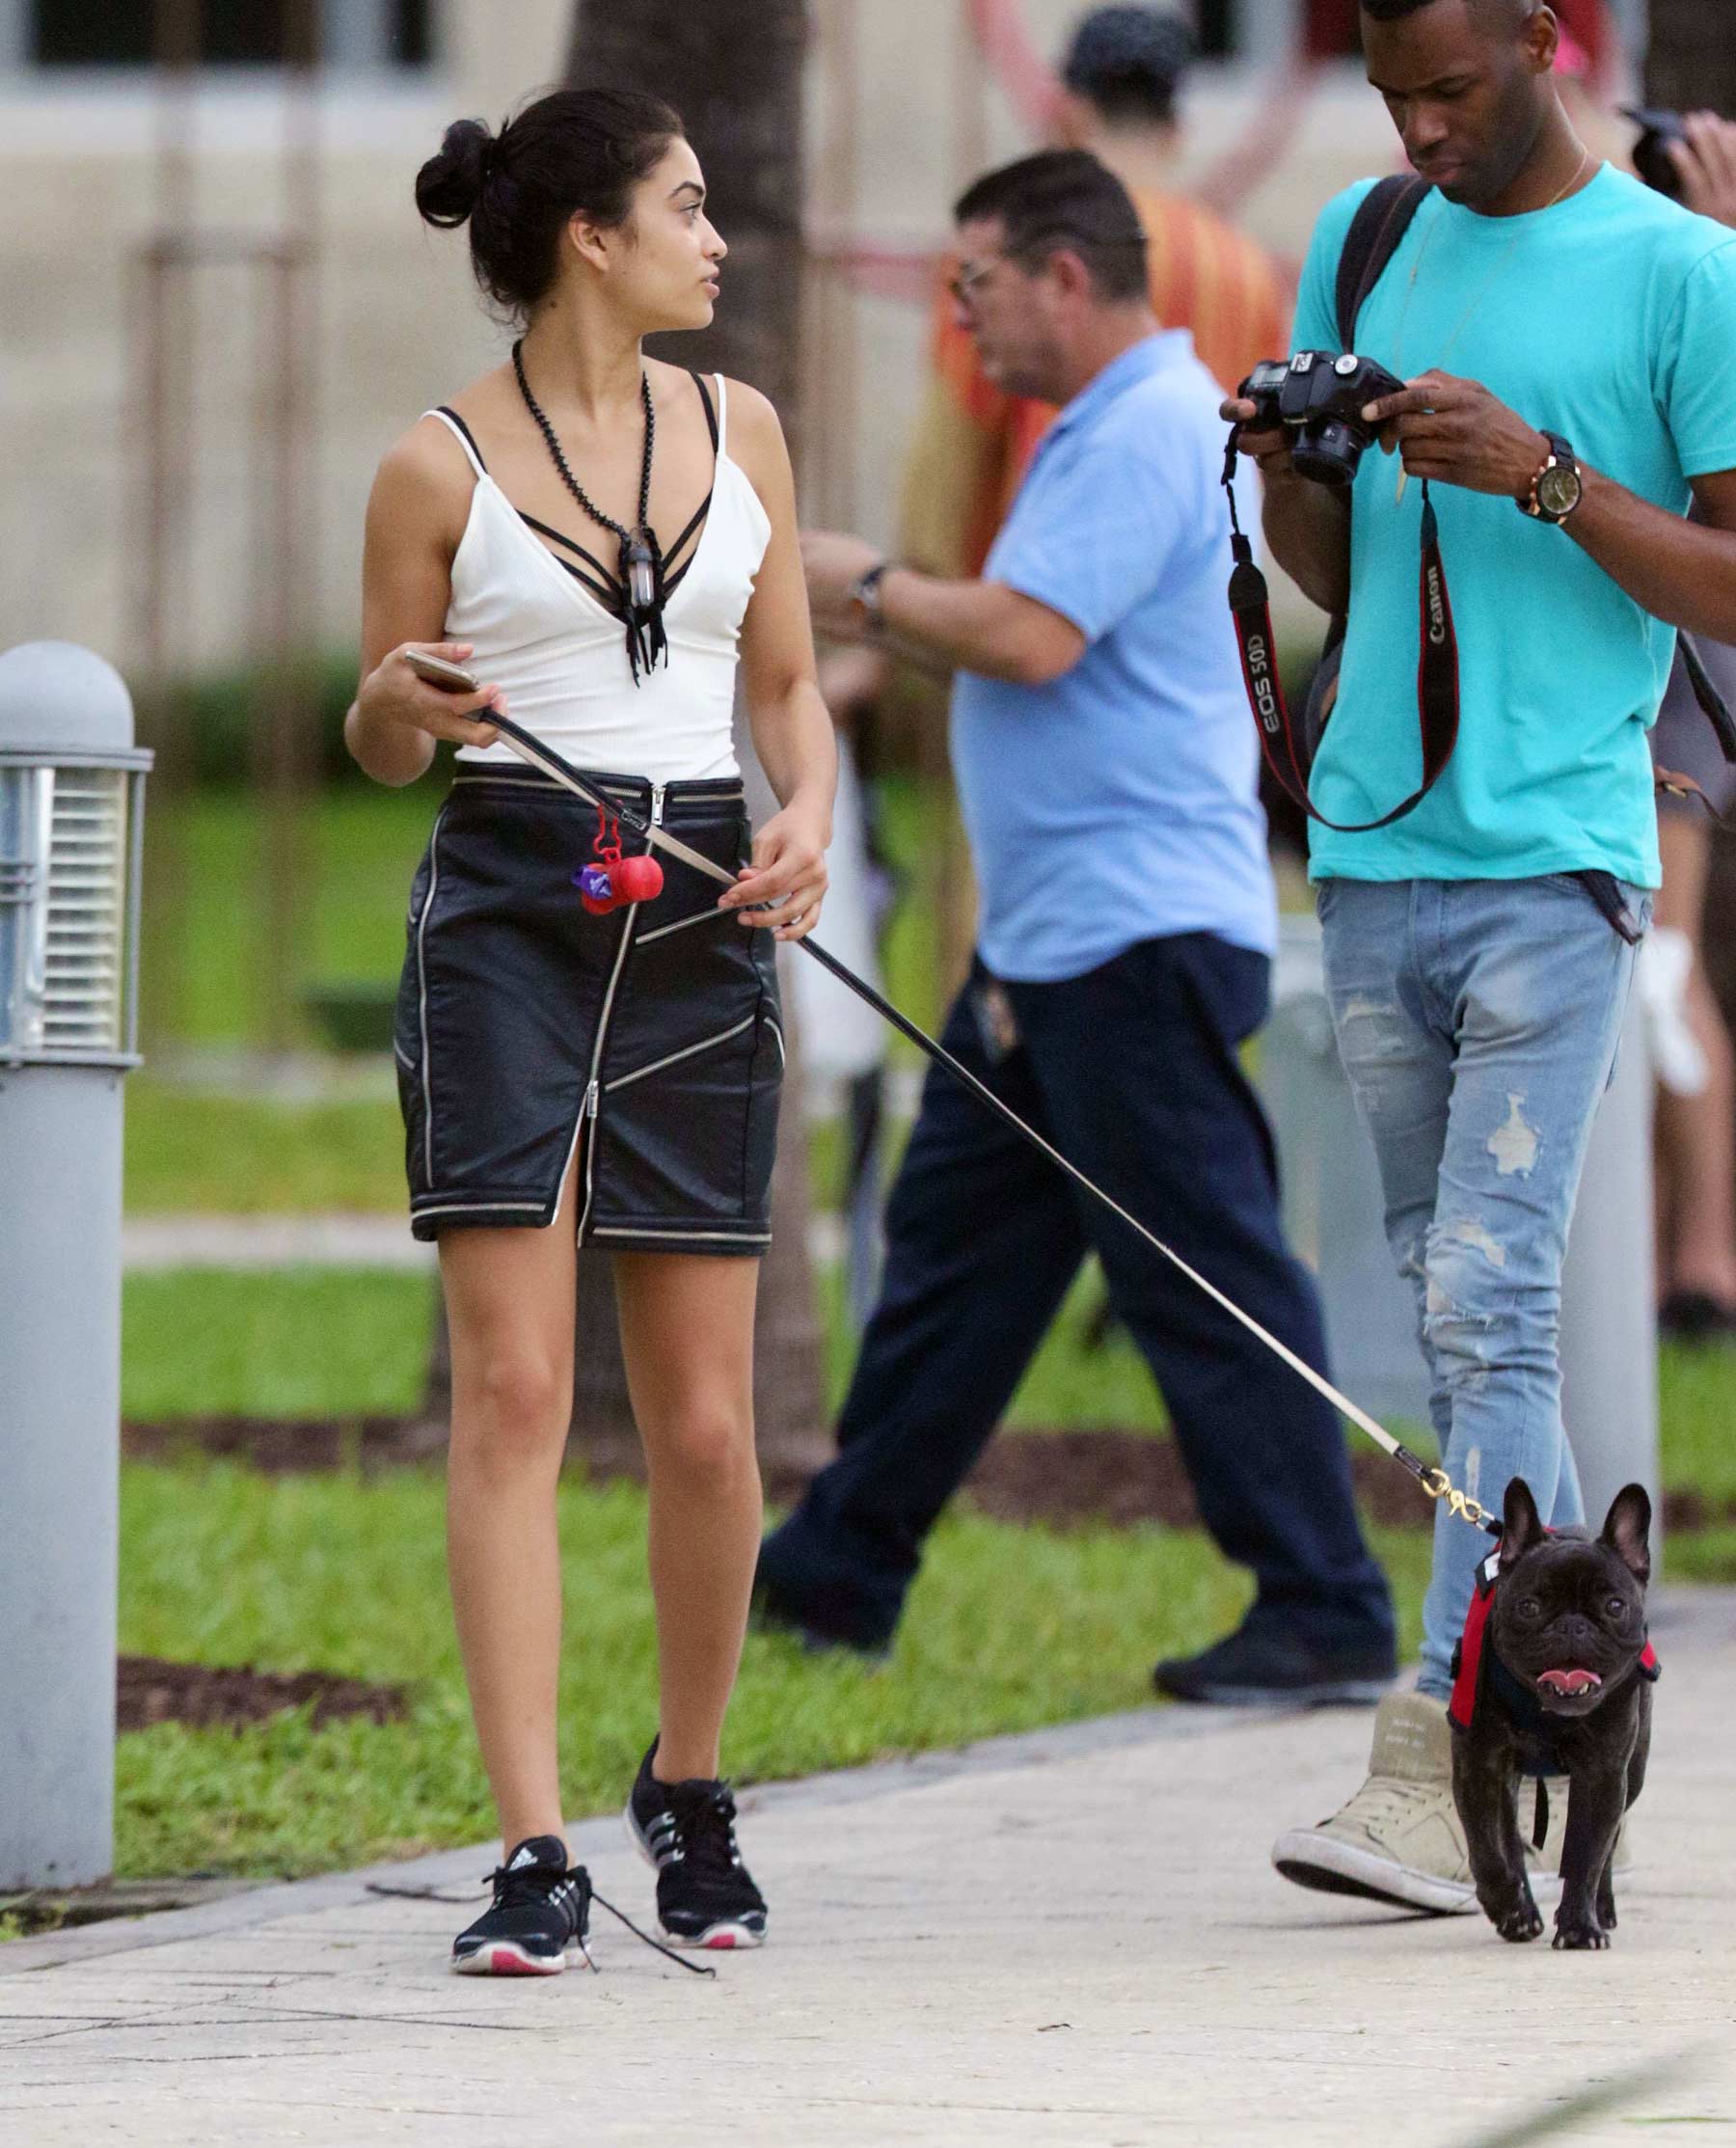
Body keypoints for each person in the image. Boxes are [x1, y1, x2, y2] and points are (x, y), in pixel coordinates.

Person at [763, 149, 1397, 1701]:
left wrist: (858, 584)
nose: (958, 320)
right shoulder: (1104, 431)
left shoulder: (1147, 425)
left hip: (1131, 936)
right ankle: (831, 1573)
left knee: (1205, 1270)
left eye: (972, 285)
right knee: (955, 1266)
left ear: (1063, 274)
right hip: (1058, 943)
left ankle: (1324, 1605)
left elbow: (1032, 636)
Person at [1232, 0, 1736, 1912]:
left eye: (1452, 88)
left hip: (1557, 866)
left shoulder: (1686, 275)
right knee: (1456, 1321)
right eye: (1389, 95)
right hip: (1370, 856)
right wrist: (1297, 458)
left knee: (1494, 1322)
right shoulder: (1364, 239)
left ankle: (1443, 1764)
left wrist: (1535, 473)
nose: (1420, 128)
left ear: (1546, 39)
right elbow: (1345, 574)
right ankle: (1573, 1700)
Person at [344, 88, 835, 1972]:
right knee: (523, 1393)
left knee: (707, 1423)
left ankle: (689, 1788)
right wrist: (399, 698)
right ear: (588, 239)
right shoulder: (433, 466)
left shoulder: (746, 428)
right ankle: (532, 1844)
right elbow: (384, 739)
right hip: (508, 918)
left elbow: (783, 686)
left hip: (704, 911)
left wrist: (799, 818)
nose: (719, 242)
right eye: (689, 209)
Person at [904, 5, 1290, 585]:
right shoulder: (1247, 268)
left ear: (1070, 114)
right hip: (1199, 601)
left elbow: (950, 463)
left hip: (1042, 600)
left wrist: (909, 605)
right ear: (1176, 130)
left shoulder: (1012, 252)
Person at [1643, 112, 1736, 1340]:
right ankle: (1680, 1238)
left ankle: (1706, 1255)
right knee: (1652, 959)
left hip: (1686, 658)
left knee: (1663, 961)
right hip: (1654, 645)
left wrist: (1717, 247)